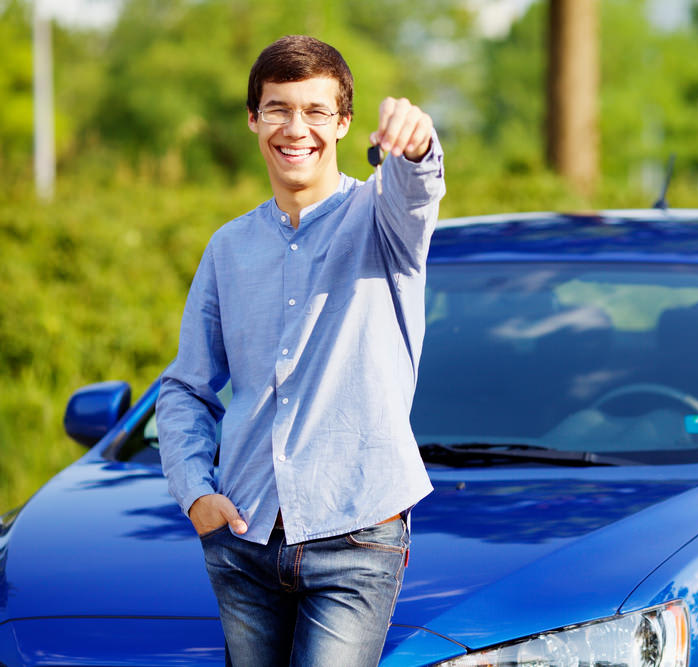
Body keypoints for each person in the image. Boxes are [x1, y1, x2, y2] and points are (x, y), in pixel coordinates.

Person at [156, 34, 444, 666]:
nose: (297, 128)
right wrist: (194, 492)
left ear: (342, 123)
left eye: (316, 111)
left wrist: (418, 143)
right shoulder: (228, 249)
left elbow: (416, 189)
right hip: (243, 535)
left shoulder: (380, 219)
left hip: (357, 535)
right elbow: (185, 388)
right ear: (254, 119)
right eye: (279, 108)